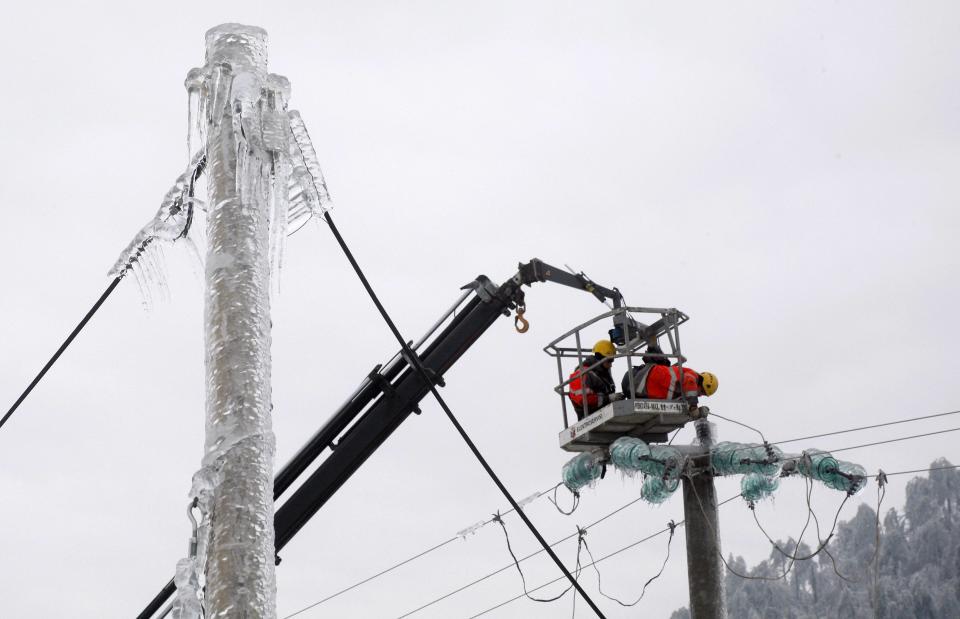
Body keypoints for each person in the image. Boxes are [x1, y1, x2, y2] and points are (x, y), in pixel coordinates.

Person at [622, 363, 718, 410]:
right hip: (635, 379)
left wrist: (698, 412)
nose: (700, 395)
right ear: (703, 383)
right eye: (703, 392)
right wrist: (693, 406)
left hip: (636, 391)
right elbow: (689, 382)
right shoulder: (692, 376)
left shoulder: (683, 392)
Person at [568, 340, 621, 420]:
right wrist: (608, 398)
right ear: (600, 358)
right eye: (609, 361)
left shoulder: (602, 374)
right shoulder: (582, 374)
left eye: (612, 361)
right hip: (589, 417)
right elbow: (584, 400)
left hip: (604, 413)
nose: (611, 365)